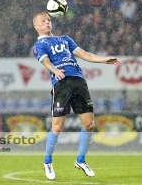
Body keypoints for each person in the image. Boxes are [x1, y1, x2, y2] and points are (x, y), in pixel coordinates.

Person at [32, 12, 121, 180]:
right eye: (43, 21)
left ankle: (81, 160)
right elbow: (46, 62)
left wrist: (104, 60)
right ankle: (47, 161)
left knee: (89, 125)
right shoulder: (39, 45)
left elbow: (85, 54)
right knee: (57, 127)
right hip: (61, 83)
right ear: (36, 26)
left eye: (49, 20)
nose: (47, 23)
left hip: (79, 82)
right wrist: (55, 70)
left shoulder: (65, 39)